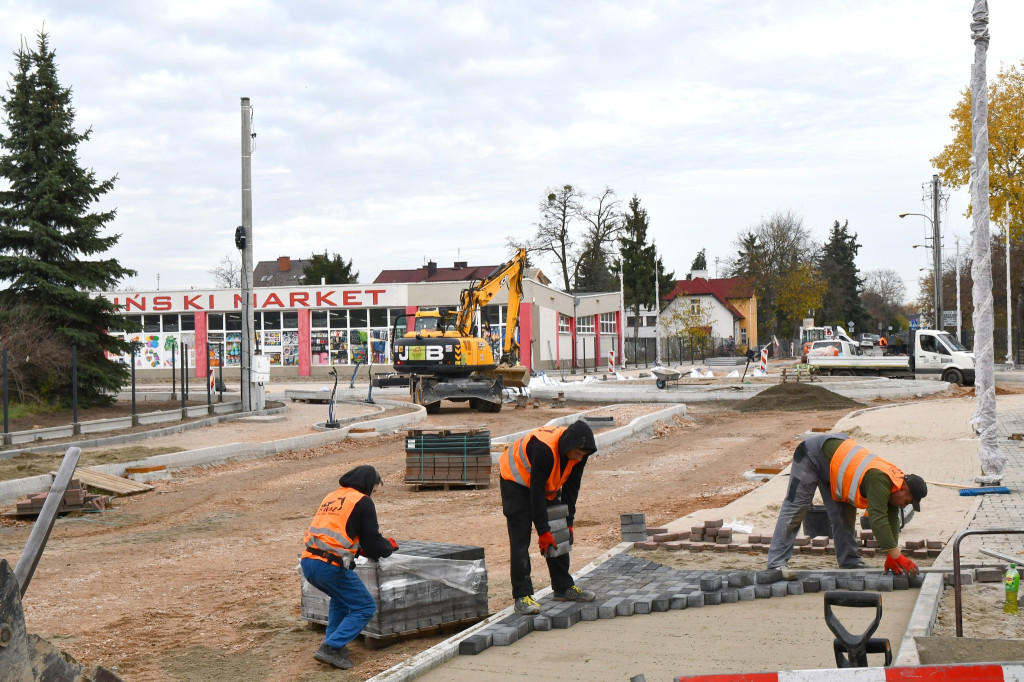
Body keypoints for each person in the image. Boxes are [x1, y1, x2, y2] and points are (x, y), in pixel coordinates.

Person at [767, 433, 927, 579]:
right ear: (904, 488)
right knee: (796, 509)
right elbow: (878, 519)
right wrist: (897, 556)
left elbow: (891, 519)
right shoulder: (880, 479)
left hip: (836, 470)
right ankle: (776, 564)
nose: (903, 505)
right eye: (907, 501)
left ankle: (850, 562)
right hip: (812, 454)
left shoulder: (895, 487)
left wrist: (891, 556)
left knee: (844, 515)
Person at [300, 465, 398, 670]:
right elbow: (372, 543)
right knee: (365, 607)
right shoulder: (363, 501)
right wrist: (387, 547)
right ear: (368, 483)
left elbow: (339, 535)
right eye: (374, 489)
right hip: (329, 566)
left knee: (340, 599)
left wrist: (360, 549)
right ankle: (332, 647)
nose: (373, 493)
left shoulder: (333, 497)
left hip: (309, 562)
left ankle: (333, 642)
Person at [499, 420, 598, 615]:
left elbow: (571, 489)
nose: (579, 459)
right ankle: (522, 596)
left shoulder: (579, 454)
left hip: (544, 485)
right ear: (569, 446)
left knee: (558, 529)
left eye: (582, 456)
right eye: (577, 454)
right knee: (521, 538)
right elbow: (535, 494)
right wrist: (543, 531)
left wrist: (568, 523)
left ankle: (563, 587)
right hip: (516, 481)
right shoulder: (544, 450)